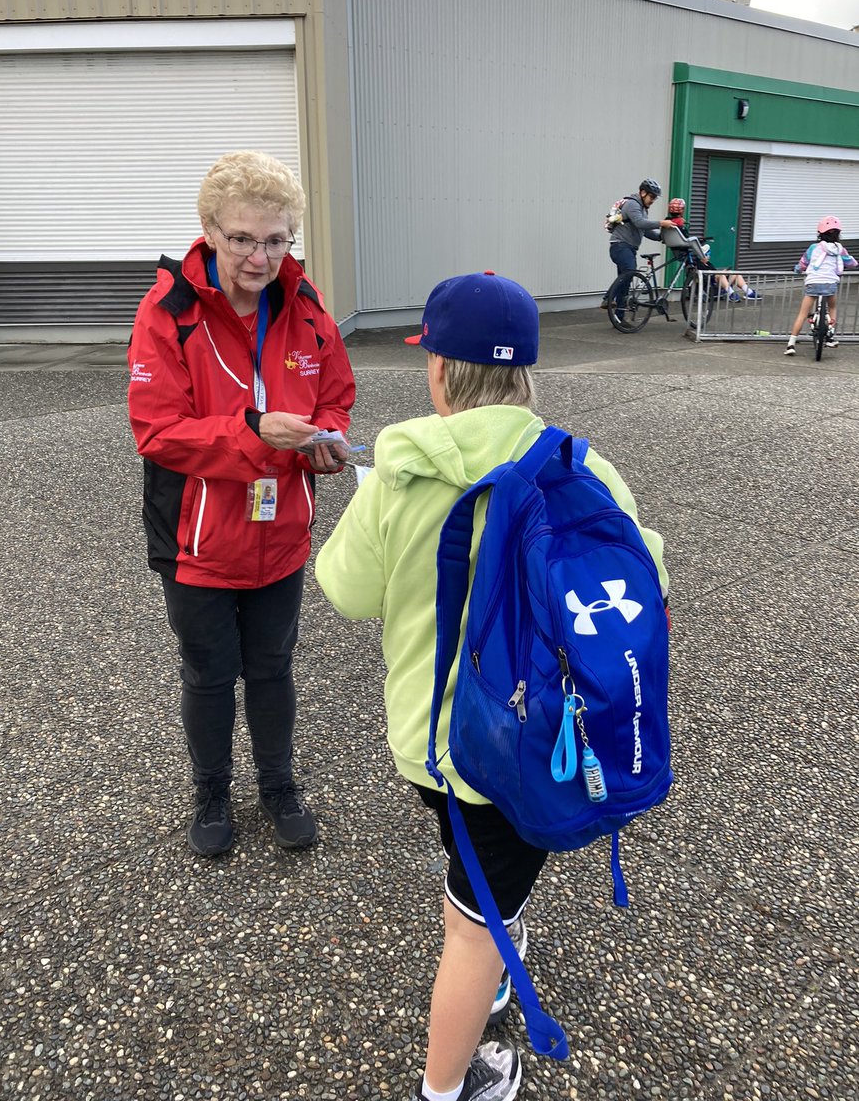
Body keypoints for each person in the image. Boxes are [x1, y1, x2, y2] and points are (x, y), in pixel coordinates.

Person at [314, 272, 667, 1101]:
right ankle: (450, 1080)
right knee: (476, 917)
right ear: (525, 373)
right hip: (531, 748)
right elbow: (647, 577)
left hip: (431, 748)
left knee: (470, 884)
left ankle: (453, 1069)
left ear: (439, 368)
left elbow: (345, 591)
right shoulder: (580, 466)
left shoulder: (400, 477)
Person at [128, 150, 356, 856]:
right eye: (242, 239)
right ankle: (211, 790)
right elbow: (157, 431)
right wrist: (257, 433)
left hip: (281, 530)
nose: (260, 257)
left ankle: (279, 784)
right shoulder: (169, 312)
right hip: (198, 541)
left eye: (276, 239)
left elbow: (335, 395)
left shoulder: (307, 305)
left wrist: (327, 438)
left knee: (274, 666)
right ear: (210, 231)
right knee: (207, 672)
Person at [785, 215, 857, 356]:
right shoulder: (839, 249)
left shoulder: (814, 248)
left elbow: (803, 263)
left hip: (813, 282)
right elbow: (851, 262)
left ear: (820, 233)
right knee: (832, 307)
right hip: (830, 283)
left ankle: (791, 344)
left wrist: (797, 269)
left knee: (802, 313)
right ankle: (830, 336)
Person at [664, 198, 760, 301]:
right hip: (712, 282)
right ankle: (731, 294)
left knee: (734, 273)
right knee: (721, 275)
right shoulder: (694, 259)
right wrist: (702, 256)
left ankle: (748, 292)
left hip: (715, 280)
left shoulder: (668, 225)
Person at [603, 177, 676, 311]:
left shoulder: (642, 208)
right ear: (643, 193)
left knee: (625, 281)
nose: (653, 200)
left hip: (629, 248)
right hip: (620, 245)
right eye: (652, 197)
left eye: (655, 198)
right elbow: (640, 223)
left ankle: (619, 317)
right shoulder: (633, 204)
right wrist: (661, 223)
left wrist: (662, 237)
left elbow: (645, 230)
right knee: (630, 272)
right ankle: (608, 298)